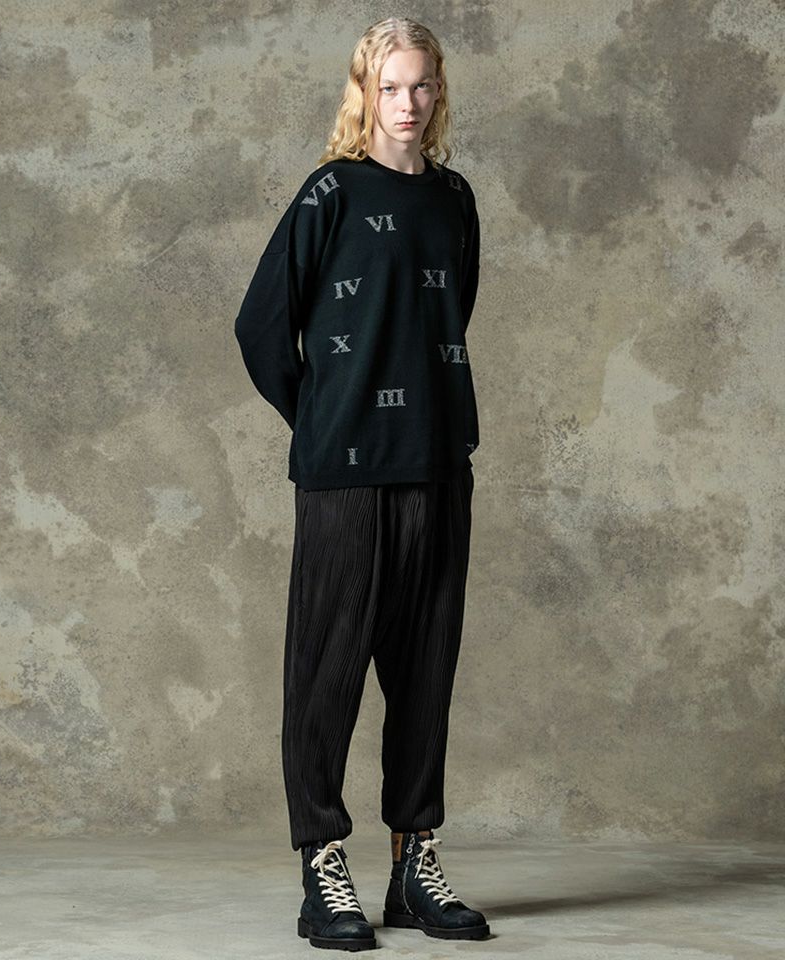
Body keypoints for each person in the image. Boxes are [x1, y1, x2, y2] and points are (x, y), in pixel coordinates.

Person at [234, 15, 489, 951]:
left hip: (438, 464)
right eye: (389, 87)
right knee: (327, 671)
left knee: (426, 675)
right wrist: (325, 418)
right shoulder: (330, 194)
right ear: (364, 93)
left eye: (421, 85)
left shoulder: (454, 199)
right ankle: (322, 866)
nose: (407, 104)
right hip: (345, 475)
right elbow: (261, 325)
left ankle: (415, 864)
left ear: (439, 90)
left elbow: (450, 314)